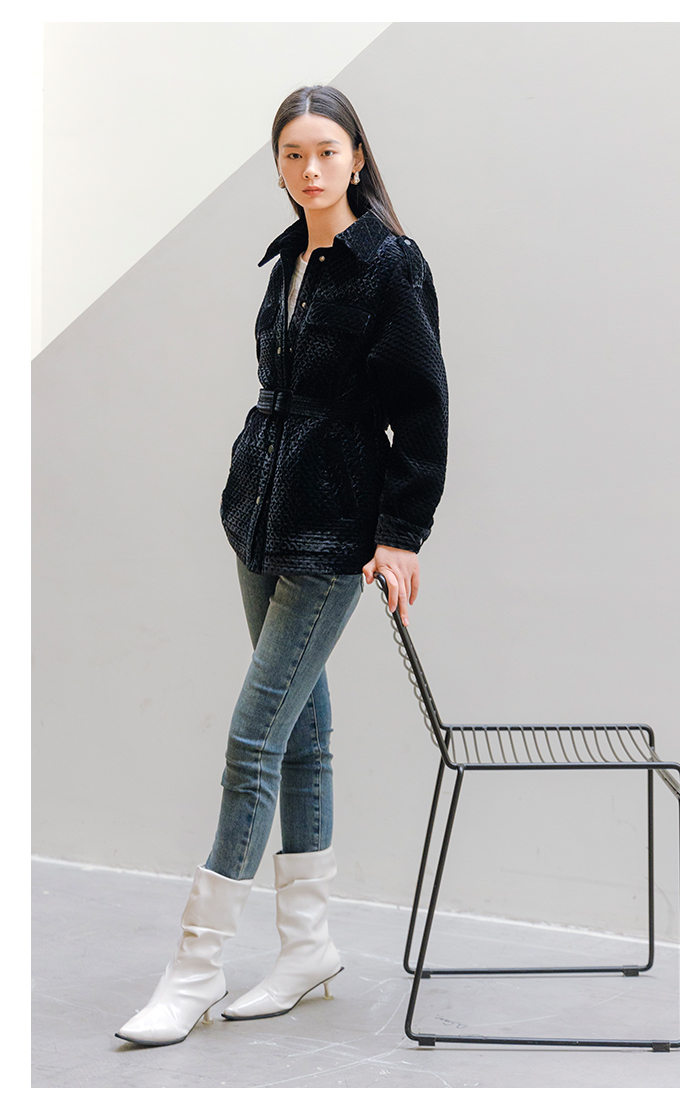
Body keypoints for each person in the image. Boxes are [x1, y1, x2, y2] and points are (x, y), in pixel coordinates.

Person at [115, 85, 449, 1047]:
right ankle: (308, 948)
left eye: (327, 151)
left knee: (251, 741)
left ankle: (194, 967)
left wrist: (401, 532)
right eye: (294, 154)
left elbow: (423, 406)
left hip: (334, 532)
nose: (311, 169)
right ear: (278, 165)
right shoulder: (288, 258)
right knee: (303, 735)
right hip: (259, 521)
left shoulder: (390, 265)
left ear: (357, 157)